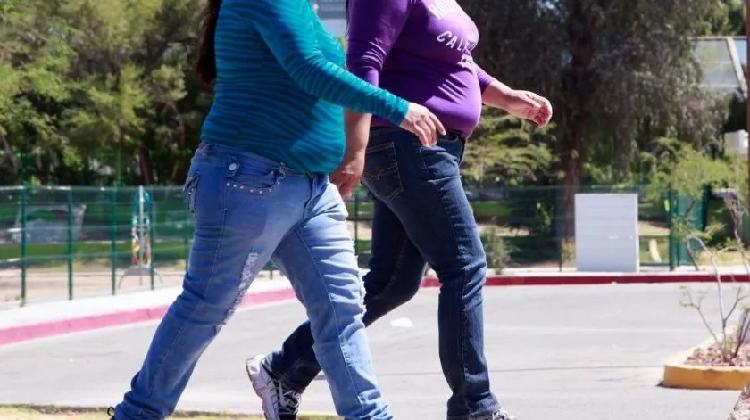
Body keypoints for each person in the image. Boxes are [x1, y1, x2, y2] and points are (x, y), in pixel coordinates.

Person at [108, 0, 446, 418]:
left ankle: (370, 415)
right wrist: (398, 108)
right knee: (206, 306)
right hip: (248, 177)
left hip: (312, 188)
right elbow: (309, 71)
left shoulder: (303, 8)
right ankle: (136, 414)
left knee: (342, 307)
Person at [245, 0, 553, 419]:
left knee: (394, 280)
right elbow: (363, 64)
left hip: (428, 148)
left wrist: (507, 97)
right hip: (406, 144)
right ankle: (475, 406)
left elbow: (456, 61)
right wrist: (354, 150)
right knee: (463, 265)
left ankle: (284, 368)